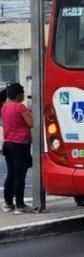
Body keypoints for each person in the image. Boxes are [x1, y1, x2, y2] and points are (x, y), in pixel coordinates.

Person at [2, 83, 36, 214]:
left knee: (10, 174)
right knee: (20, 176)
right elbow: (31, 123)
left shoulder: (4, 107)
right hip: (20, 144)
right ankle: (20, 205)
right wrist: (30, 111)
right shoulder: (20, 107)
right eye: (22, 93)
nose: (23, 95)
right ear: (18, 95)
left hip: (8, 144)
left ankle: (8, 203)